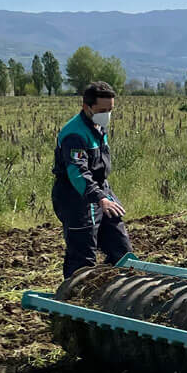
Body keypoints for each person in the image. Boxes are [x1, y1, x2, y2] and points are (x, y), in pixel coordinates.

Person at [52, 81, 132, 279]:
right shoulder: (74, 134)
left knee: (121, 247)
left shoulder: (98, 126)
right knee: (82, 255)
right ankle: (74, 299)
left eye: (110, 110)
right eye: (102, 110)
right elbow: (77, 172)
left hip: (101, 190)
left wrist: (104, 195)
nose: (107, 114)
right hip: (76, 195)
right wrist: (99, 197)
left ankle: (117, 289)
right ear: (86, 106)